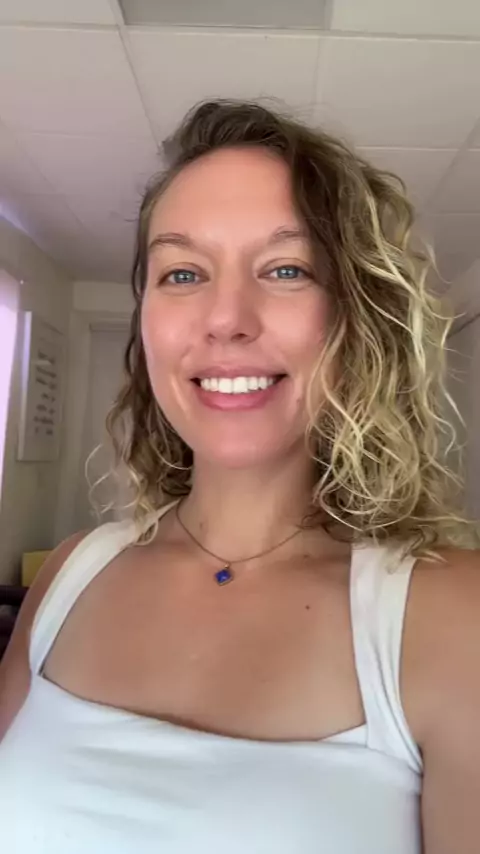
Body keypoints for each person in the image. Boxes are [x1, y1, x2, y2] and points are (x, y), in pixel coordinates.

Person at [0, 100, 479, 853]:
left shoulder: (452, 618)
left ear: (356, 318)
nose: (226, 318)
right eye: (183, 272)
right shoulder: (70, 575)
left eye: (286, 270)